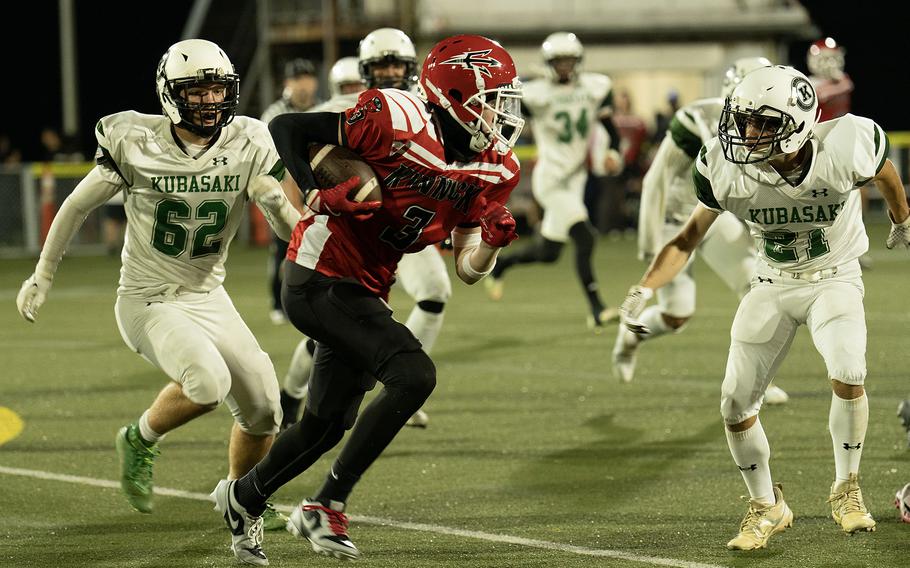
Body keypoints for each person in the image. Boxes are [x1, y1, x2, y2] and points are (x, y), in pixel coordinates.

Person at [209, 33, 524, 564]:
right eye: (492, 99)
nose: (501, 113)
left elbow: (468, 270)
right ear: (452, 95)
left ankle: (242, 497)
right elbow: (286, 127)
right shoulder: (394, 116)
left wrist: (491, 241)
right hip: (316, 272)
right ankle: (325, 505)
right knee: (413, 373)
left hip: (367, 287)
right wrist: (311, 189)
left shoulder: (495, 167)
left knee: (326, 423)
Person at [14, 39, 302, 534]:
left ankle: (241, 496)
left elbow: (291, 234)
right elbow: (75, 207)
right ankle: (140, 437)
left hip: (208, 294)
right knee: (209, 383)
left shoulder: (250, 140)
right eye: (198, 89)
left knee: (265, 409)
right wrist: (42, 273)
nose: (211, 100)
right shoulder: (137, 141)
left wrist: (276, 206)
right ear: (170, 95)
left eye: (219, 88)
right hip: (148, 298)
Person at [618, 65, 910, 550]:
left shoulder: (845, 143)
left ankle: (847, 487)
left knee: (849, 368)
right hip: (771, 281)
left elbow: (884, 170)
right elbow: (689, 236)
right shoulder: (728, 166)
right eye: (745, 120)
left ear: (798, 122)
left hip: (833, 277)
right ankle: (767, 505)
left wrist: (901, 219)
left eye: (764, 123)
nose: (749, 133)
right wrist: (644, 287)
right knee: (734, 401)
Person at [277, 29, 449, 431]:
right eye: (381, 65)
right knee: (334, 335)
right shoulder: (342, 106)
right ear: (366, 71)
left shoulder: (427, 108)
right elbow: (293, 150)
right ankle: (290, 395)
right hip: (354, 233)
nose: (389, 72)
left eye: (397, 64)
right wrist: (310, 196)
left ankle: (397, 388)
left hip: (406, 226)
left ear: (410, 69)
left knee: (435, 294)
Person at [615, 56, 789, 405]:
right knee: (677, 315)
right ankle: (631, 338)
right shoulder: (696, 121)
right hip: (675, 221)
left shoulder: (771, 125)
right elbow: (654, 181)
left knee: (757, 288)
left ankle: (756, 380)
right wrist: (650, 244)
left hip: (713, 213)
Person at [485, 32, 623, 331]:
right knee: (585, 236)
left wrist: (612, 151)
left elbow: (612, 130)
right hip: (550, 179)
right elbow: (502, 106)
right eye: (558, 61)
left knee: (548, 253)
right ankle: (597, 309)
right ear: (548, 63)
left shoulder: (596, 87)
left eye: (569, 61)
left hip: (576, 178)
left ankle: (502, 265)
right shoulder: (534, 93)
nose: (564, 67)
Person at [261, 58, 321, 325]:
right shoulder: (274, 113)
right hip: (283, 184)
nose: (304, 85)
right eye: (298, 79)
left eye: (308, 78)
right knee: (283, 248)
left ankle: (316, 300)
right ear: (288, 83)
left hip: (316, 187)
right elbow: (266, 157)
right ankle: (277, 302)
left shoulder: (322, 109)